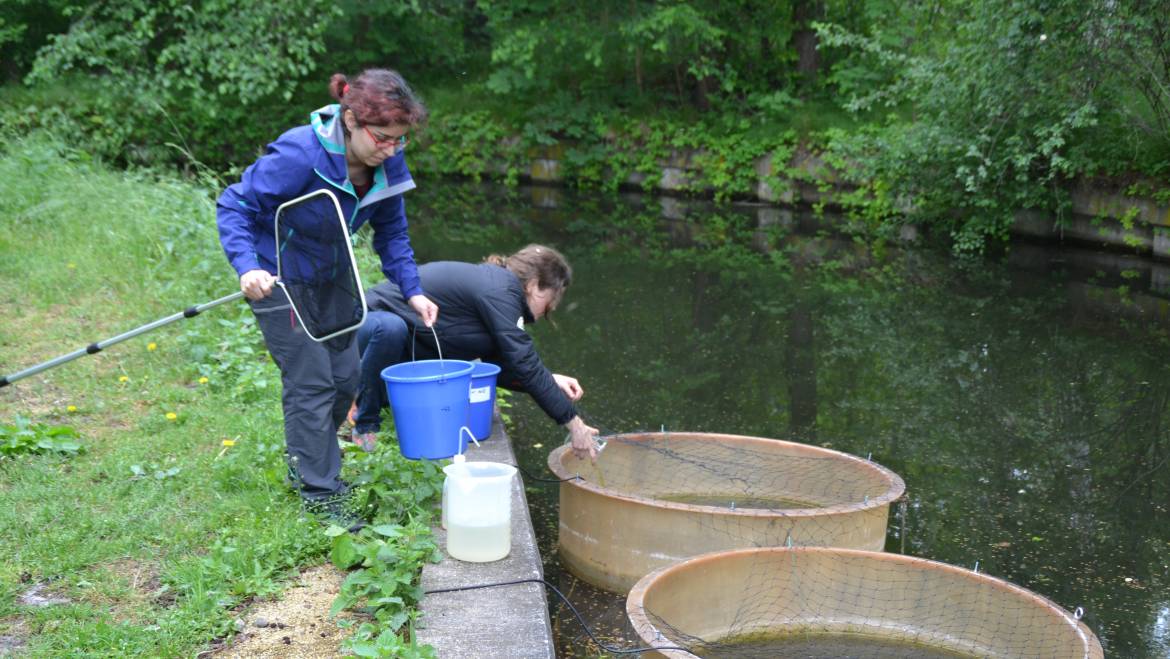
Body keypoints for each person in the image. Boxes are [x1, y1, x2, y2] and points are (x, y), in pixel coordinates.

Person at [216, 68, 439, 528]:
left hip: (334, 277)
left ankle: (311, 463)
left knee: (346, 376)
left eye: (399, 141)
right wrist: (248, 267)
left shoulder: (389, 162)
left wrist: (412, 291)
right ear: (352, 120)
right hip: (278, 276)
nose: (391, 149)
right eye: (382, 138)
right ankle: (320, 492)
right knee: (312, 382)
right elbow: (234, 204)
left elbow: (393, 233)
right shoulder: (301, 152)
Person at [352, 244, 601, 460]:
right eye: (552, 298)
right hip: (360, 332)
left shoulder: (500, 297)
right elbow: (525, 362)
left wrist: (550, 379)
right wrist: (574, 425)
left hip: (398, 351)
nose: (551, 307)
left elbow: (506, 368)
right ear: (535, 285)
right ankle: (365, 422)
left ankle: (371, 395)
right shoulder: (500, 288)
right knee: (390, 328)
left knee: (397, 332)